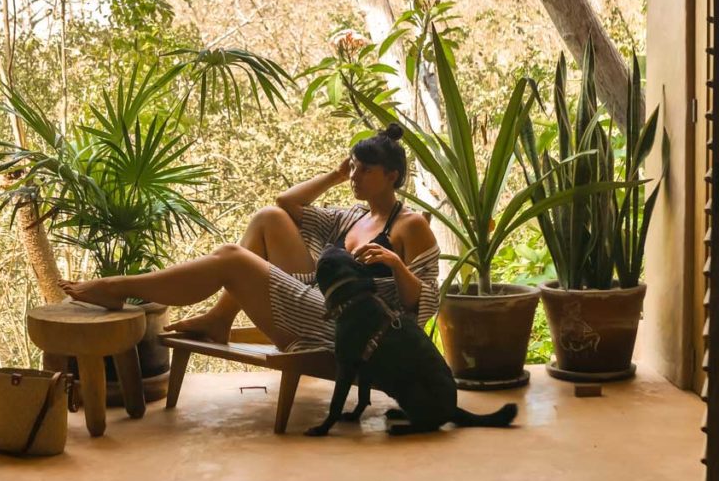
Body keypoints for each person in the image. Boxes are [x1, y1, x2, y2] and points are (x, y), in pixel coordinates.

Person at [58, 123, 441, 351]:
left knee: (231, 258)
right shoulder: (352, 216)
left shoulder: (410, 226)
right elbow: (286, 203)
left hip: (349, 324)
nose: (356, 178)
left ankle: (118, 288)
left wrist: (392, 262)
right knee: (268, 217)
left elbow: (423, 302)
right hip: (316, 297)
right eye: (353, 169)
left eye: (365, 171)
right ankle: (219, 318)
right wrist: (335, 175)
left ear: (392, 175)